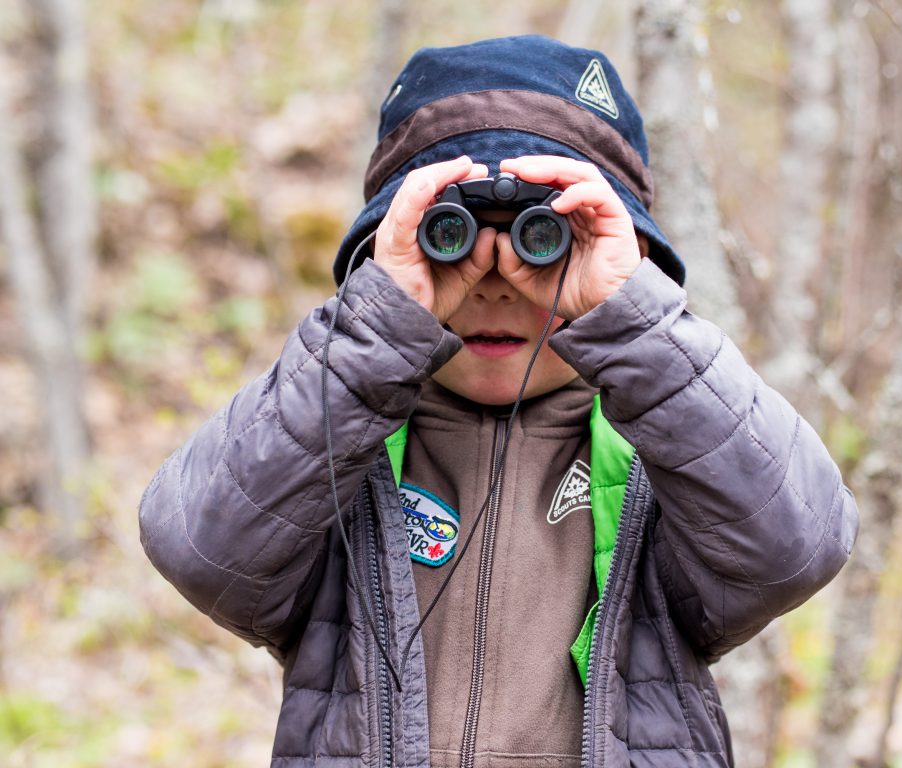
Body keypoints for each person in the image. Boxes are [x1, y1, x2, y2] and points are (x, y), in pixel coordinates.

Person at [139, 35, 858, 768]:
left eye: (545, 241)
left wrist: (633, 324)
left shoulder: (660, 464)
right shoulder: (341, 457)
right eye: (447, 237)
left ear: (628, 262)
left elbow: (796, 544)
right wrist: (373, 334)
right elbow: (200, 545)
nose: (496, 282)